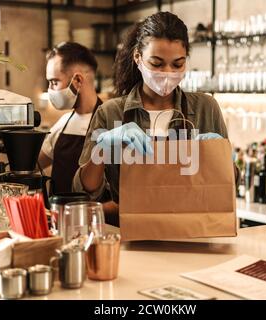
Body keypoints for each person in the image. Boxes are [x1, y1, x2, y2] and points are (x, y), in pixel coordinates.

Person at [72, 12, 231, 226]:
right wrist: (102, 149)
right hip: (132, 235)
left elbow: (229, 183)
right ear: (138, 57)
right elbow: (84, 190)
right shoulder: (110, 113)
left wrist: (217, 154)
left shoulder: (205, 108)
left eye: (177, 64)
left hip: (195, 233)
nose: (167, 73)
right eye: (156, 63)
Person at [38, 42, 104, 195]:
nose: (50, 90)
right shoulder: (63, 123)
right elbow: (35, 165)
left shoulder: (111, 122)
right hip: (58, 216)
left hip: (92, 218)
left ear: (78, 81)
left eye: (54, 82)